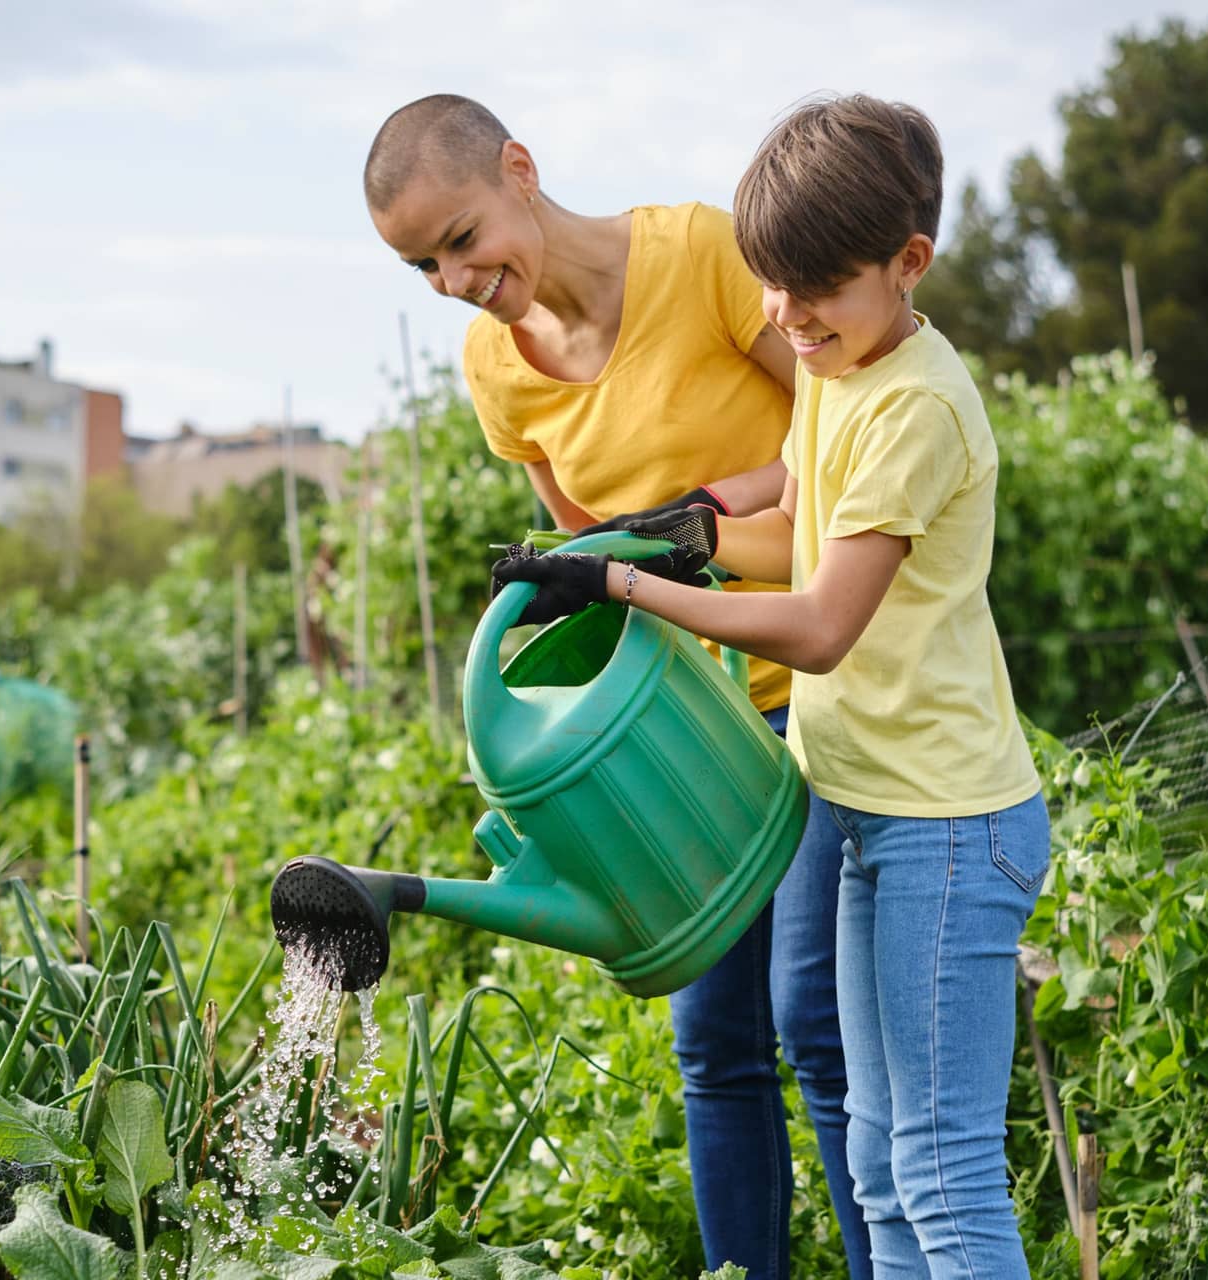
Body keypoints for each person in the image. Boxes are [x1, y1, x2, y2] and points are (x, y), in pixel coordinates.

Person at [492, 94, 1049, 1280]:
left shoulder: (912, 403)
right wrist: (664, 538)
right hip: (860, 802)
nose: (784, 318)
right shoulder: (840, 371)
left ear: (908, 265)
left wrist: (624, 586)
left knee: (942, 1172)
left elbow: (817, 622)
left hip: (947, 826)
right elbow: (791, 528)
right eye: (769, 288)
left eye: (815, 289)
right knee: (882, 1161)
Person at [366, 95, 873, 1280]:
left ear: (519, 168)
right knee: (713, 1044)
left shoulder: (700, 255)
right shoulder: (497, 371)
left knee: (812, 1024)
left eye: (458, 236)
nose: (451, 277)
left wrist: (709, 509)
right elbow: (593, 566)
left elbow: (850, 424)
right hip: (681, 728)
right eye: (419, 264)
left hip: (805, 675)